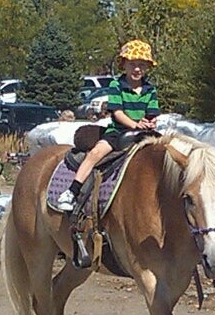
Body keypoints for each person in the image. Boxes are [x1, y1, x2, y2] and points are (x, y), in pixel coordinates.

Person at [57, 39, 160, 212]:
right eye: (133, 64)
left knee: (166, 153)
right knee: (95, 153)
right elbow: (117, 113)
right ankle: (72, 191)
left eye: (142, 65)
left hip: (143, 132)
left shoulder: (150, 90)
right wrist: (135, 125)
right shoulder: (116, 85)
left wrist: (150, 122)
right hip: (118, 132)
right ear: (124, 65)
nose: (137, 69)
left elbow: (152, 113)